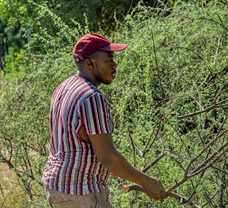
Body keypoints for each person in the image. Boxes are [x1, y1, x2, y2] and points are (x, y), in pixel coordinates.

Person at [42, 33, 168, 207]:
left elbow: (77, 143)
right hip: (80, 192)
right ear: (90, 64)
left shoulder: (64, 87)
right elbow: (108, 157)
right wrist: (146, 182)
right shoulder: (91, 97)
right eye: (108, 60)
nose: (115, 65)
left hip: (58, 188)